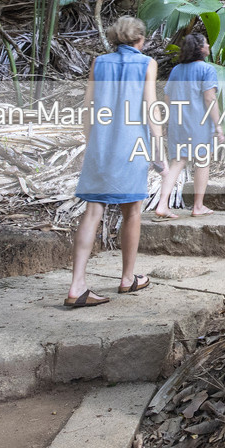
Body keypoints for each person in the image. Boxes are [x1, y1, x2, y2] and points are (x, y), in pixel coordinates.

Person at [64, 15, 166, 308]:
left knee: (92, 210)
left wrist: (91, 142)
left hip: (101, 145)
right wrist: (159, 152)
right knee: (132, 212)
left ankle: (77, 285)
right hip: (132, 146)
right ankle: (127, 278)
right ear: (140, 40)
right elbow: (151, 109)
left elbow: (88, 108)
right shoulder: (147, 64)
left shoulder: (99, 63)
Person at [154, 30, 220, 219]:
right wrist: (218, 125)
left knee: (177, 163)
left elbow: (167, 98)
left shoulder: (176, 70)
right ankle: (198, 206)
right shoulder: (207, 70)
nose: (208, 46)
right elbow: (209, 98)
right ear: (200, 49)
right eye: (206, 43)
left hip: (178, 123)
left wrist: (168, 122)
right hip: (199, 123)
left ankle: (162, 204)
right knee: (202, 161)